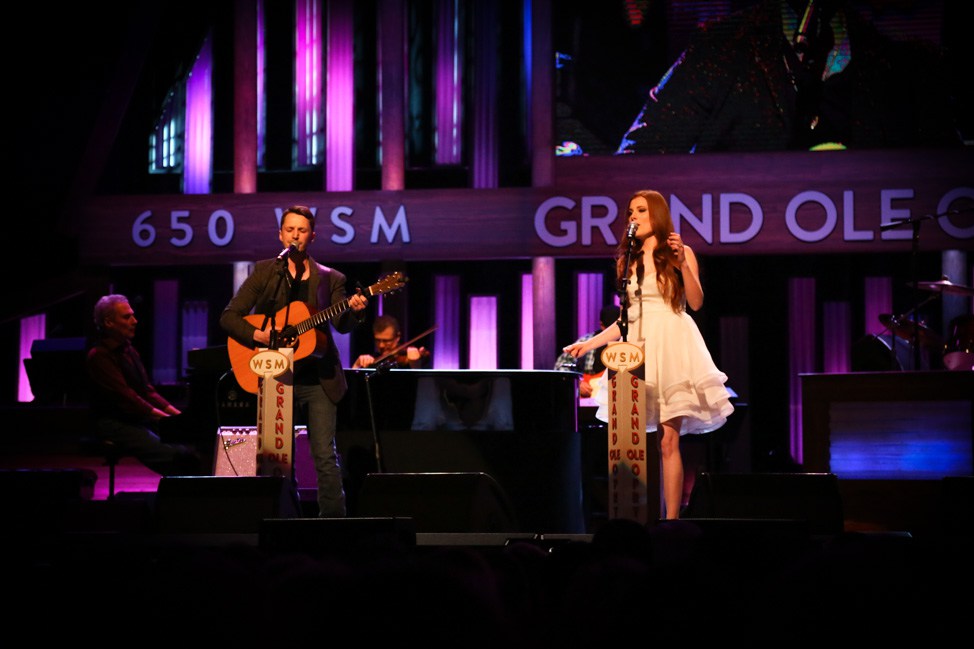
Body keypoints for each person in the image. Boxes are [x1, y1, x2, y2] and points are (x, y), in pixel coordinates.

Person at [561, 190, 734, 519]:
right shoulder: (628, 261)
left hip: (672, 344)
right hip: (638, 349)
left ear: (656, 213)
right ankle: (638, 517)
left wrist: (683, 262)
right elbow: (626, 319)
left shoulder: (678, 253)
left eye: (640, 210)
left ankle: (672, 521)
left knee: (668, 441)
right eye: (629, 212)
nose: (633, 217)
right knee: (635, 443)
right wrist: (590, 344)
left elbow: (695, 303)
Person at [617, 0, 962, 154]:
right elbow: (640, 158)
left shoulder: (897, 66)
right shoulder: (720, 50)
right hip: (743, 285)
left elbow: (948, 189)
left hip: (870, 289)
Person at [219, 205, 368, 517]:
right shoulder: (264, 271)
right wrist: (259, 335)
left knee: (324, 455)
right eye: (290, 230)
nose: (295, 236)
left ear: (312, 237)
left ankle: (333, 526)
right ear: (281, 234)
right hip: (276, 376)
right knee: (277, 458)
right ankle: (283, 519)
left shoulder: (331, 278)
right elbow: (230, 317)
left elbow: (341, 324)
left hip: (319, 378)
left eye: (302, 231)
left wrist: (355, 310)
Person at [86, 294, 204, 476]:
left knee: (193, 447)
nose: (135, 321)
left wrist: (178, 416)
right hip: (113, 423)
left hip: (136, 418)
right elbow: (126, 397)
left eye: (132, 315)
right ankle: (181, 498)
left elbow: (147, 391)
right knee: (177, 456)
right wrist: (165, 419)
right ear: (109, 322)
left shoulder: (129, 350)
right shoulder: (99, 356)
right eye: (127, 317)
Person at [554, 305, 619, 398]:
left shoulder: (627, 344)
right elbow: (560, 366)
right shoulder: (586, 341)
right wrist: (578, 383)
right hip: (590, 399)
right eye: (607, 328)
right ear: (601, 324)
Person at [352, 314, 430, 369]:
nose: (381, 345)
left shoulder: (406, 359)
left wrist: (415, 365)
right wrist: (357, 365)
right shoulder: (373, 359)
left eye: (386, 341)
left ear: (397, 337)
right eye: (378, 340)